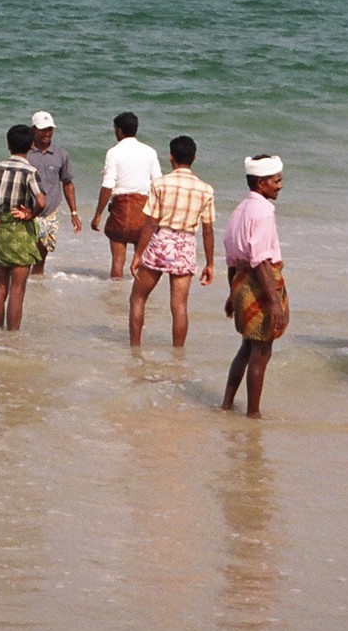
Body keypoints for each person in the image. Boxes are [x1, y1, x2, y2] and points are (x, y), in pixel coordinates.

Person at [127, 135, 216, 348]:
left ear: (170, 157)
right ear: (194, 157)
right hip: (185, 244)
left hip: (161, 242)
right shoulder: (206, 189)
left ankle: (135, 348)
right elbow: (208, 230)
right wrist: (210, 263)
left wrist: (138, 254)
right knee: (179, 306)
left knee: (138, 298)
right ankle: (177, 355)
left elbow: (150, 223)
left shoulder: (160, 184)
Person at [222, 155, 290, 418]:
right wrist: (274, 301)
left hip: (241, 281)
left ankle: (227, 404)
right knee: (262, 351)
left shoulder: (240, 209)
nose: (280, 185)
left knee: (247, 347)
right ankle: (253, 413)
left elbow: (231, 258)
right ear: (261, 183)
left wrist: (232, 293)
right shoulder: (263, 211)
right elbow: (260, 259)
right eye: (276, 180)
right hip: (260, 282)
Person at [0, 125, 47, 331]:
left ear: (8, 145)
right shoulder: (30, 172)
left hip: (2, 229)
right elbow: (41, 201)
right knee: (17, 290)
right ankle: (12, 335)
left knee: (1, 287)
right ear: (31, 145)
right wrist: (30, 214)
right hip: (21, 231)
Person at [90, 111, 163, 279]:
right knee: (142, 259)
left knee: (117, 260)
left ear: (119, 131)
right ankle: (140, 295)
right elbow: (157, 182)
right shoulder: (150, 152)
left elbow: (108, 185)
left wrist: (98, 215)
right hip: (144, 209)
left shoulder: (114, 152)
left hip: (122, 209)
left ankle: (115, 295)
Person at [26, 111, 81, 276]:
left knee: (40, 259)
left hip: (49, 213)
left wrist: (74, 212)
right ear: (33, 129)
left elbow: (68, 183)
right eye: (43, 129)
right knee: (23, 255)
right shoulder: (25, 153)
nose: (47, 133)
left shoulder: (61, 154)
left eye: (50, 129)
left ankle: (37, 287)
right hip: (27, 211)